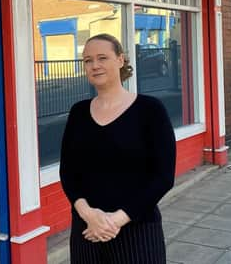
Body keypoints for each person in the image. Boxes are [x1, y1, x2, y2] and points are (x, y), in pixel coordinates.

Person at [59, 33, 176, 264]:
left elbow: (163, 177)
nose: (95, 65)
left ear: (121, 60)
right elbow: (68, 172)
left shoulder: (150, 110)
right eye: (88, 60)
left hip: (137, 230)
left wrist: (115, 221)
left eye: (102, 57)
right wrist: (88, 214)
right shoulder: (78, 113)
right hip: (87, 231)